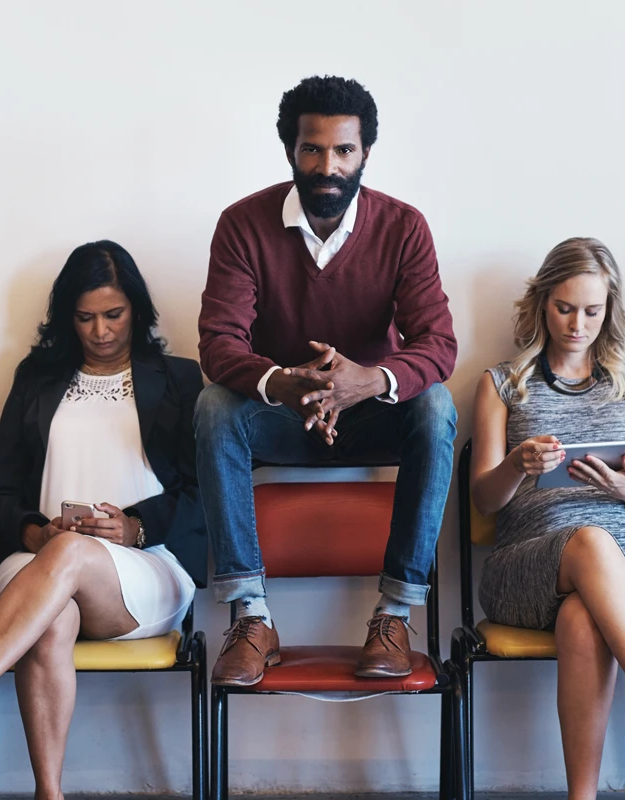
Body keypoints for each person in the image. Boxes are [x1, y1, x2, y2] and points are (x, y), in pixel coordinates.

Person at [0, 241, 205, 798]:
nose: (101, 331)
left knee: (74, 556)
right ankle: (48, 793)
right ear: (66, 318)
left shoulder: (179, 379)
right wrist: (38, 532)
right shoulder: (35, 379)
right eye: (85, 318)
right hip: (35, 562)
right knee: (52, 613)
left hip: (143, 570)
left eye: (114, 315)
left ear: (137, 309)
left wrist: (135, 528)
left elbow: (205, 492)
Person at [196, 75, 458, 685]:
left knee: (436, 406)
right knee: (214, 406)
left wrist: (369, 381)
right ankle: (253, 618)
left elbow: (438, 345)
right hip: (282, 415)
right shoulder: (242, 224)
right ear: (290, 148)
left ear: (366, 152)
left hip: (371, 416)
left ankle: (394, 616)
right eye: (313, 149)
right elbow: (219, 343)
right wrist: (284, 382)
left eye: (344, 150)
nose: (328, 165)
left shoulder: (404, 227)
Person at [469, 237, 625, 796]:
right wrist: (516, 463)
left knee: (584, 616)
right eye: (564, 308)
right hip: (524, 564)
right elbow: (485, 501)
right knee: (587, 540)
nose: (577, 324)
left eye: (592, 310)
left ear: (610, 310)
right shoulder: (501, 384)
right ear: (541, 303)